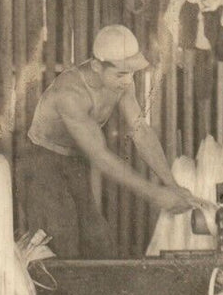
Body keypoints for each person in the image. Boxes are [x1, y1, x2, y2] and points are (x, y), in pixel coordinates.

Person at [20, 24, 211, 259]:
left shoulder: (121, 83)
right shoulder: (69, 94)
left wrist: (170, 183)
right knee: (62, 238)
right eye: (121, 73)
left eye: (131, 72)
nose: (128, 80)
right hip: (41, 160)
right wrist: (155, 194)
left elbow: (140, 130)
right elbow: (101, 156)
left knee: (98, 241)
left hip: (75, 160)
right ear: (97, 66)